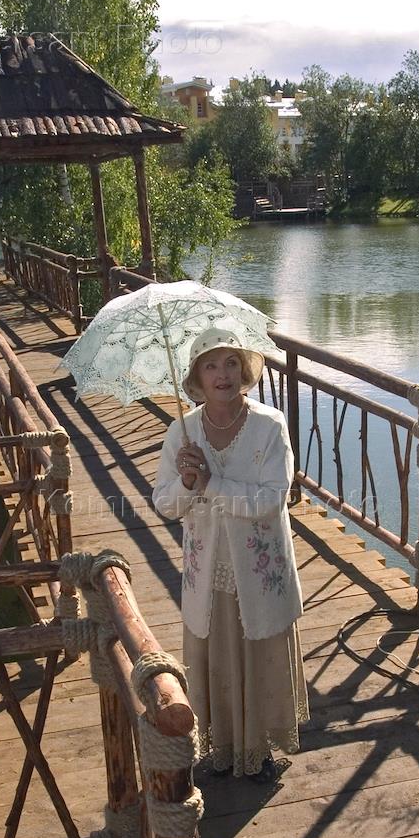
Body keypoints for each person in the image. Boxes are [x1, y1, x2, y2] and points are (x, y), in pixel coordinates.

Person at [153, 327, 309, 780]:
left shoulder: (269, 425)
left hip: (260, 573)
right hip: (208, 572)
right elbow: (165, 504)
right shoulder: (181, 432)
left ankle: (258, 750)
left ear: (244, 370)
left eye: (231, 363)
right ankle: (221, 747)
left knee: (259, 657)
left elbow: (271, 499)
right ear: (196, 379)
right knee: (216, 659)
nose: (222, 374)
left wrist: (210, 483)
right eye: (210, 365)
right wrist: (186, 482)